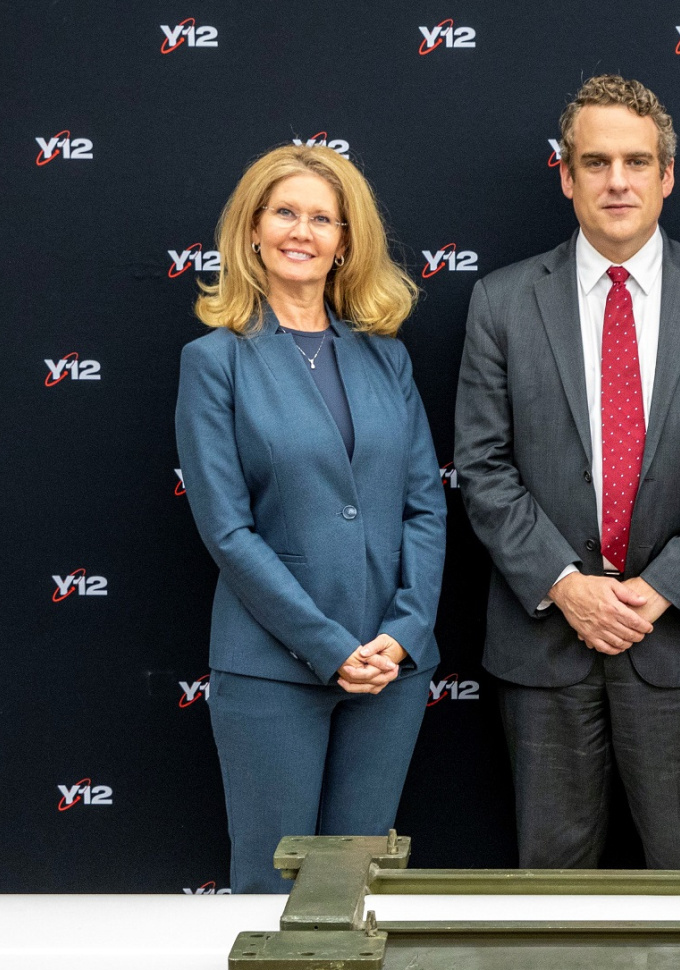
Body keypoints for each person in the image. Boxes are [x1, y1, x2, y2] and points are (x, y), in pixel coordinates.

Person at [455, 75, 680, 869]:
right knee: (550, 895)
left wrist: (663, 585)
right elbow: (482, 463)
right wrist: (566, 585)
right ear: (566, 176)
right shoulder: (501, 303)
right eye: (595, 162)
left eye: (637, 162)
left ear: (667, 176)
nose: (617, 182)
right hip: (546, 644)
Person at [176, 145, 445, 893]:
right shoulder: (214, 361)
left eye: (323, 218)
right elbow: (227, 532)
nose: (303, 231)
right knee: (274, 893)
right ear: (253, 230)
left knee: (357, 890)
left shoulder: (385, 357)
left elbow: (425, 505)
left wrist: (406, 631)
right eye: (285, 213)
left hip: (391, 670)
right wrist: (328, 646)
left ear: (345, 240)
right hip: (272, 669)